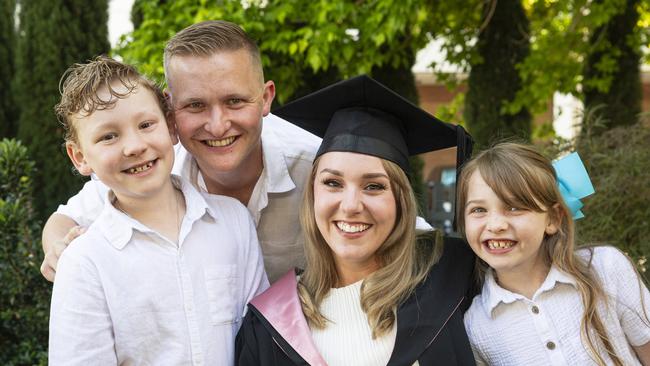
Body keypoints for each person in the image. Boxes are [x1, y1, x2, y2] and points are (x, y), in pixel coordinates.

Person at [41, 20, 321, 283]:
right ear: (170, 110)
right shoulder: (154, 170)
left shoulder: (319, 169)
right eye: (195, 105)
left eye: (235, 101)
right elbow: (66, 218)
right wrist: (60, 248)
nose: (218, 126)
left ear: (265, 98)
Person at [235, 75, 477, 365]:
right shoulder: (270, 323)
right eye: (333, 183)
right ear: (312, 194)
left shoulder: (456, 276)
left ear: (401, 200)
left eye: (374, 186)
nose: (350, 206)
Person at [48, 56, 267, 365]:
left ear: (171, 128)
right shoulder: (85, 262)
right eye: (109, 136)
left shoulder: (233, 222)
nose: (135, 146)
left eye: (146, 125)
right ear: (80, 157)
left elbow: (259, 340)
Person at [456, 142, 650, 365]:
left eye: (514, 207)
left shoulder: (605, 269)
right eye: (478, 210)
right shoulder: (476, 325)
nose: (496, 224)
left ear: (553, 219)